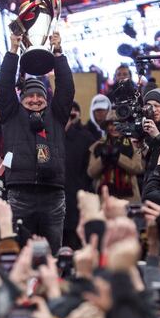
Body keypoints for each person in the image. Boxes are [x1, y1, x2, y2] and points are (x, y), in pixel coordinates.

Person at [0, 31, 74, 253]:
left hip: (53, 193)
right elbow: (3, 87)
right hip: (20, 193)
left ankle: (53, 285)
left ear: (47, 99)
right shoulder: (11, 113)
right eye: (30, 95)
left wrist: (58, 53)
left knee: (53, 253)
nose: (35, 99)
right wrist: (12, 51)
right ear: (21, 98)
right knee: (19, 252)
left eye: (40, 96)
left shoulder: (56, 115)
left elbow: (66, 89)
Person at [87, 111, 144, 202]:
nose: (114, 128)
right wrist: (102, 159)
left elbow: (138, 168)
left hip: (129, 199)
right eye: (111, 124)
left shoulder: (132, 144)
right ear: (106, 126)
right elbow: (91, 172)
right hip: (104, 199)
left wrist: (118, 157)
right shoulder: (98, 146)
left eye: (118, 124)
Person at [63, 102, 94, 249]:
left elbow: (90, 172)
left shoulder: (85, 138)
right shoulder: (46, 137)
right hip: (51, 206)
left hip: (76, 203)